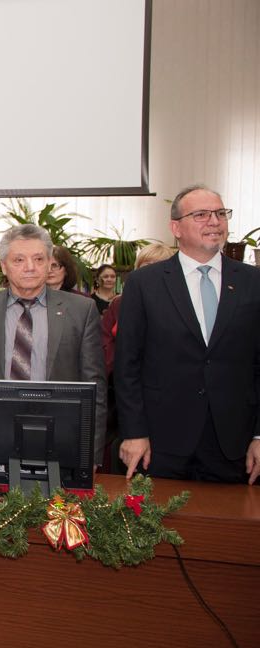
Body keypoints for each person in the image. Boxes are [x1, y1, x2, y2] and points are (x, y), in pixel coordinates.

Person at [115, 185, 260, 484]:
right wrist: (134, 432)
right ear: (176, 227)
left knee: (227, 530)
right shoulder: (145, 284)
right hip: (160, 442)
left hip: (234, 444)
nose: (215, 221)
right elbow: (127, 365)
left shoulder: (252, 282)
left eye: (220, 213)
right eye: (202, 214)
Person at [0, 224, 106, 466]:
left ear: (49, 262)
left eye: (38, 259)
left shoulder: (81, 311)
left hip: (61, 441)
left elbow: (95, 388)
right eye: (19, 259)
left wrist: (91, 454)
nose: (30, 267)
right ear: (4, 265)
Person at [101, 244, 175, 376]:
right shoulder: (119, 303)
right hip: (122, 375)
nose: (153, 271)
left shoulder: (178, 304)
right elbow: (103, 340)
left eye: (160, 265)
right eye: (147, 266)